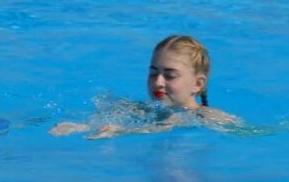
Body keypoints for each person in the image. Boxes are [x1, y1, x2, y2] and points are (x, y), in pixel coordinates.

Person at [51, 35, 240, 138]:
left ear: (198, 84)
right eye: (153, 73)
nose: (158, 82)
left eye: (170, 75)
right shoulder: (141, 109)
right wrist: (81, 127)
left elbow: (167, 126)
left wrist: (121, 132)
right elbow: (108, 120)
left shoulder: (209, 117)